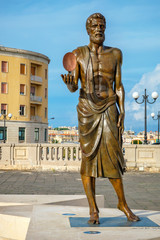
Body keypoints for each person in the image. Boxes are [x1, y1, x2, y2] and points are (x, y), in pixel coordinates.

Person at [61, 13, 140, 224]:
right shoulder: (78, 54)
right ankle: (93, 209)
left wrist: (122, 111)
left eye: (102, 25)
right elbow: (74, 85)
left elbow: (119, 85)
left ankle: (122, 202)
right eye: (94, 26)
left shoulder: (115, 54)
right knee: (88, 161)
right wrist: (70, 85)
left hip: (109, 107)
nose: (99, 29)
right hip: (87, 110)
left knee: (113, 158)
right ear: (88, 30)